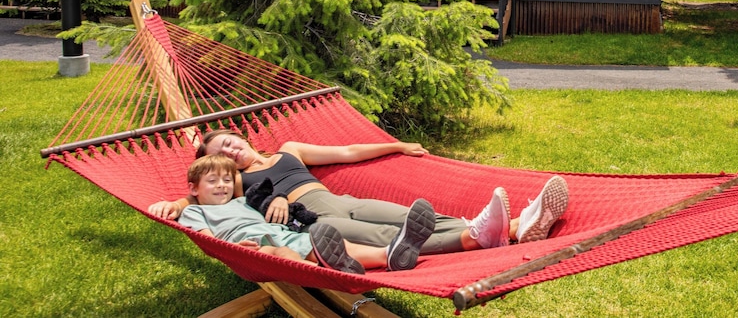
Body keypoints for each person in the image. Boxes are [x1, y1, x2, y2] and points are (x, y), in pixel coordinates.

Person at [149, 130, 569, 256]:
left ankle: (514, 226)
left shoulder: (288, 151)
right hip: (312, 218)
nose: (230, 150)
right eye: (220, 153)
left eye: (230, 141)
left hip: (341, 200)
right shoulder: (236, 183)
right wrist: (176, 203)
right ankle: (488, 235)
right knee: (393, 238)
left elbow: (347, 151)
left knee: (409, 215)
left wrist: (396, 145)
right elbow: (203, 196)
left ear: (242, 137)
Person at [178, 154, 436, 273]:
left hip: (286, 234)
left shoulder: (245, 200)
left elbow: (273, 204)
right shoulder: (195, 211)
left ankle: (388, 255)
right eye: (212, 181)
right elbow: (208, 242)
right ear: (194, 188)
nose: (222, 186)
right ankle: (324, 274)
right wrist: (233, 249)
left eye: (226, 180)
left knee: (330, 244)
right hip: (251, 248)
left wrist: (280, 198)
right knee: (281, 253)